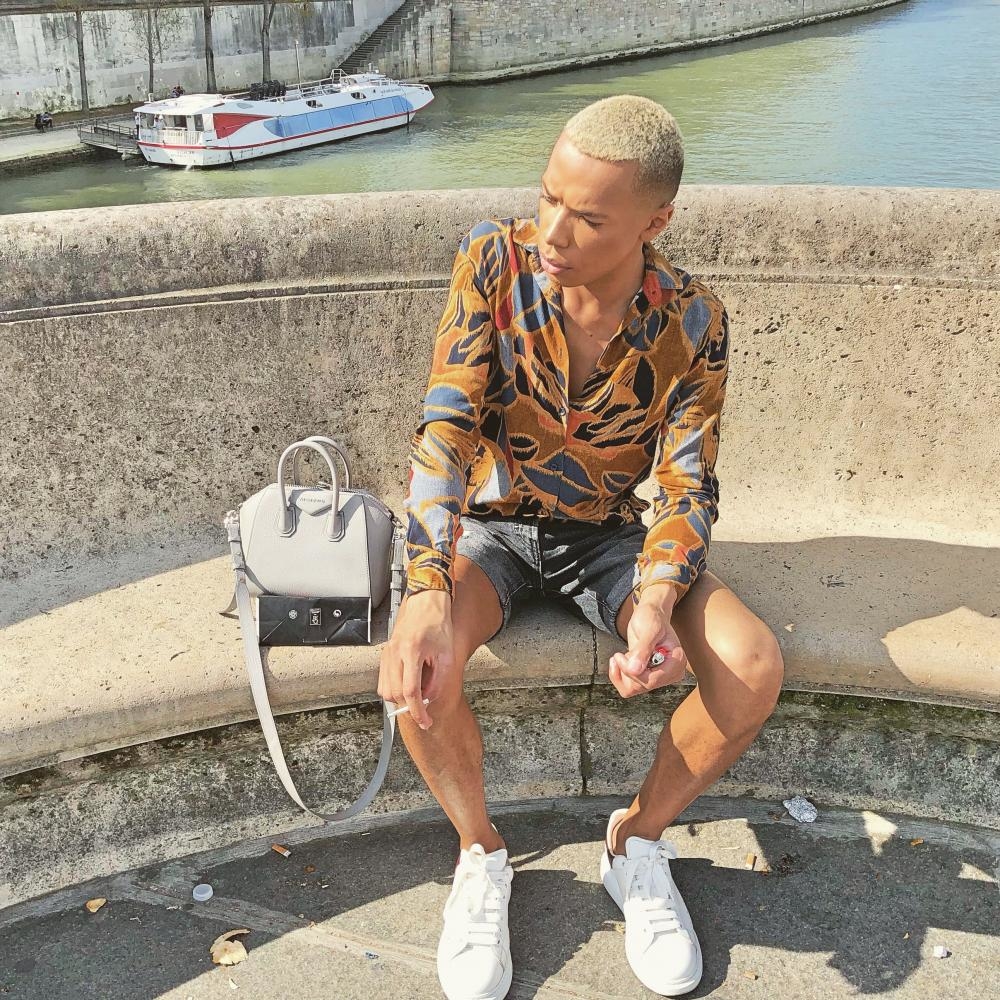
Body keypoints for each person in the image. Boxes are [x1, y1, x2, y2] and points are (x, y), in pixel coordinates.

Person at [378, 95, 784, 999]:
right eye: (549, 197)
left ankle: (635, 842)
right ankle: (481, 855)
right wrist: (426, 588)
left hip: (607, 536)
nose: (554, 232)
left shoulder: (694, 320)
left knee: (752, 665)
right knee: (421, 666)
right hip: (489, 529)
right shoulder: (494, 260)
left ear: (655, 222)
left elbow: (686, 480)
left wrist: (655, 600)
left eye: (589, 217)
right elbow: (445, 427)